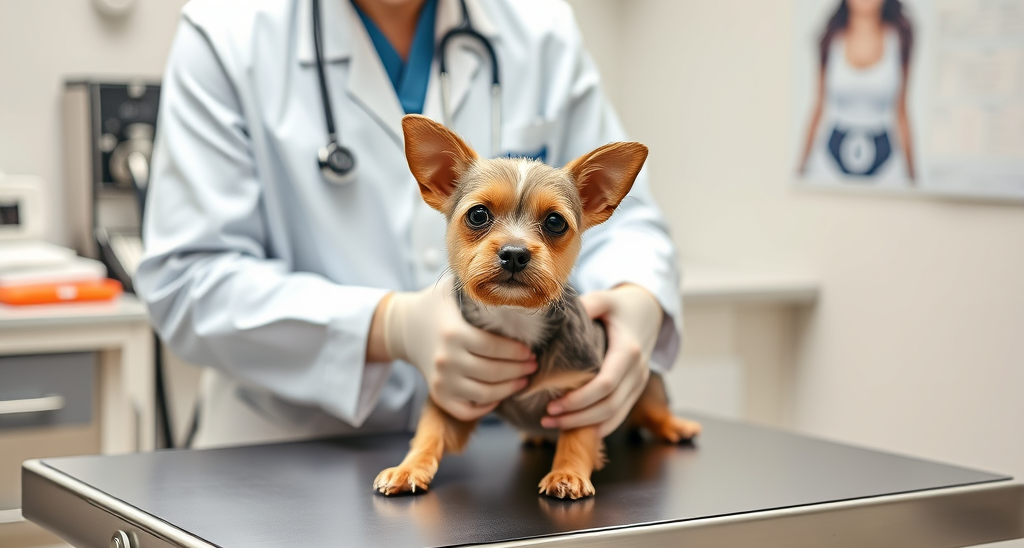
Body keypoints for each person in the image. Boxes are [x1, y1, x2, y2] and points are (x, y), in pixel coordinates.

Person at [136, 0, 682, 448]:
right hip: (289, 448)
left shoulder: (538, 27)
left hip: (505, 454)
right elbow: (188, 278)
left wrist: (637, 302)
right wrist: (388, 326)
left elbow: (625, 220)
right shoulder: (225, 31)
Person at [798, 0, 915, 186]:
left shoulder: (898, 40)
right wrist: (800, 169)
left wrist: (913, 178)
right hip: (831, 162)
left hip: (885, 163)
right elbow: (818, 107)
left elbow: (901, 111)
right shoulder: (830, 40)